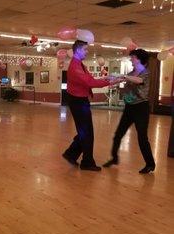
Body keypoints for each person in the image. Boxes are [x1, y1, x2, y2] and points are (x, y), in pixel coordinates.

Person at [63, 40, 120, 171]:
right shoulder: (75, 67)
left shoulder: (80, 65)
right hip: (78, 102)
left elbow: (91, 80)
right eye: (85, 49)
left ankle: (71, 154)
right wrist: (110, 82)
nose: (87, 52)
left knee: (85, 132)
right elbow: (90, 83)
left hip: (80, 101)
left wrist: (109, 79)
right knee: (87, 132)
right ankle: (86, 162)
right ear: (77, 50)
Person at [103, 49, 156, 173]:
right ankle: (114, 158)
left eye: (132, 57)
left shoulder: (145, 73)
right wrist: (111, 79)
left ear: (138, 59)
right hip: (129, 108)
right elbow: (124, 82)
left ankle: (150, 164)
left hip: (141, 108)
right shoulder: (132, 72)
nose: (131, 59)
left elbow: (138, 81)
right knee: (118, 134)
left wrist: (124, 76)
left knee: (142, 138)